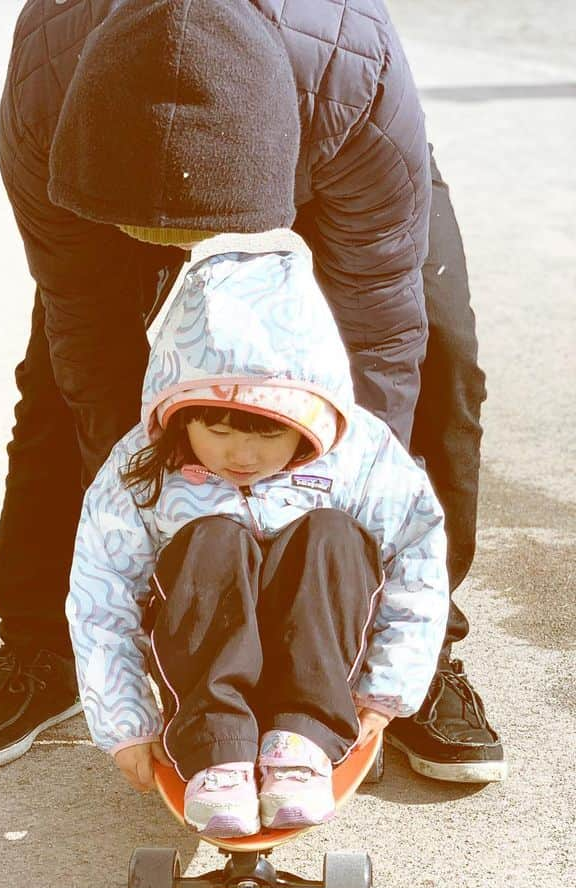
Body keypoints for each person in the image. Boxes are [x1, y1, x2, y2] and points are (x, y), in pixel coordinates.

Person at [0, 0, 504, 782]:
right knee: (57, 378)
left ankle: (418, 647)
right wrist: (153, 513)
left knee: (442, 354)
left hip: (332, 149)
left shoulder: (350, 77)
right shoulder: (46, 95)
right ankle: (44, 644)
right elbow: (87, 329)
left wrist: (343, 544)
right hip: (102, 154)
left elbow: (378, 341)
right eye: (161, 243)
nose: (184, 259)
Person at [68, 241, 449, 831]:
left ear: (309, 422)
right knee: (210, 540)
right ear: (182, 413)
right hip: (201, 679)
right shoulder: (143, 472)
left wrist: (387, 688)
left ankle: (301, 738)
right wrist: (125, 724)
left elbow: (416, 562)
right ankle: (219, 748)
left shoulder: (360, 458)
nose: (242, 455)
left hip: (322, 667)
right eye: (217, 430)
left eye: (270, 439)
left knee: (331, 535)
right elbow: (101, 594)